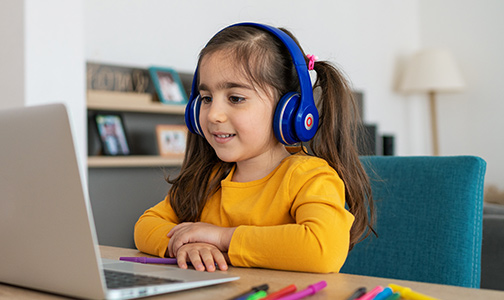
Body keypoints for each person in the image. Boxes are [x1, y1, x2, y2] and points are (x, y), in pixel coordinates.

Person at [133, 23, 375, 273]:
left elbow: (322, 250)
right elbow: (146, 226)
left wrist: (222, 237)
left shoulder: (309, 178)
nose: (213, 114)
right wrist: (184, 246)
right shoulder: (206, 179)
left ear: (290, 110)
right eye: (206, 99)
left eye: (235, 98)